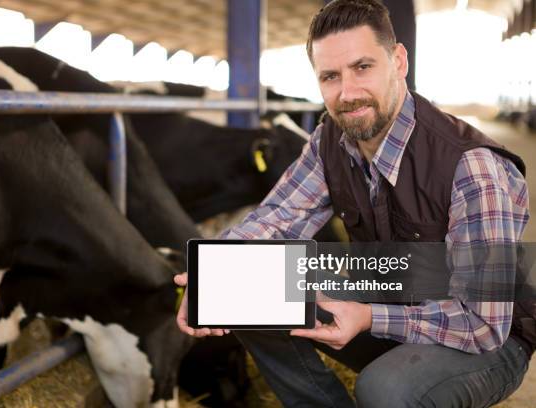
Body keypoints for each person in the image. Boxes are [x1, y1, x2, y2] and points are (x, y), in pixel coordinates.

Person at [175, 0, 532, 406]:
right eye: (330, 76)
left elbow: (483, 325)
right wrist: (216, 275)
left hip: (485, 343)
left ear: (398, 61)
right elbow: (280, 216)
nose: (347, 92)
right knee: (248, 288)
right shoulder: (330, 140)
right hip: (389, 300)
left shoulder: (471, 166)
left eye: (363, 67)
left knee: (385, 389)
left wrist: (367, 317)